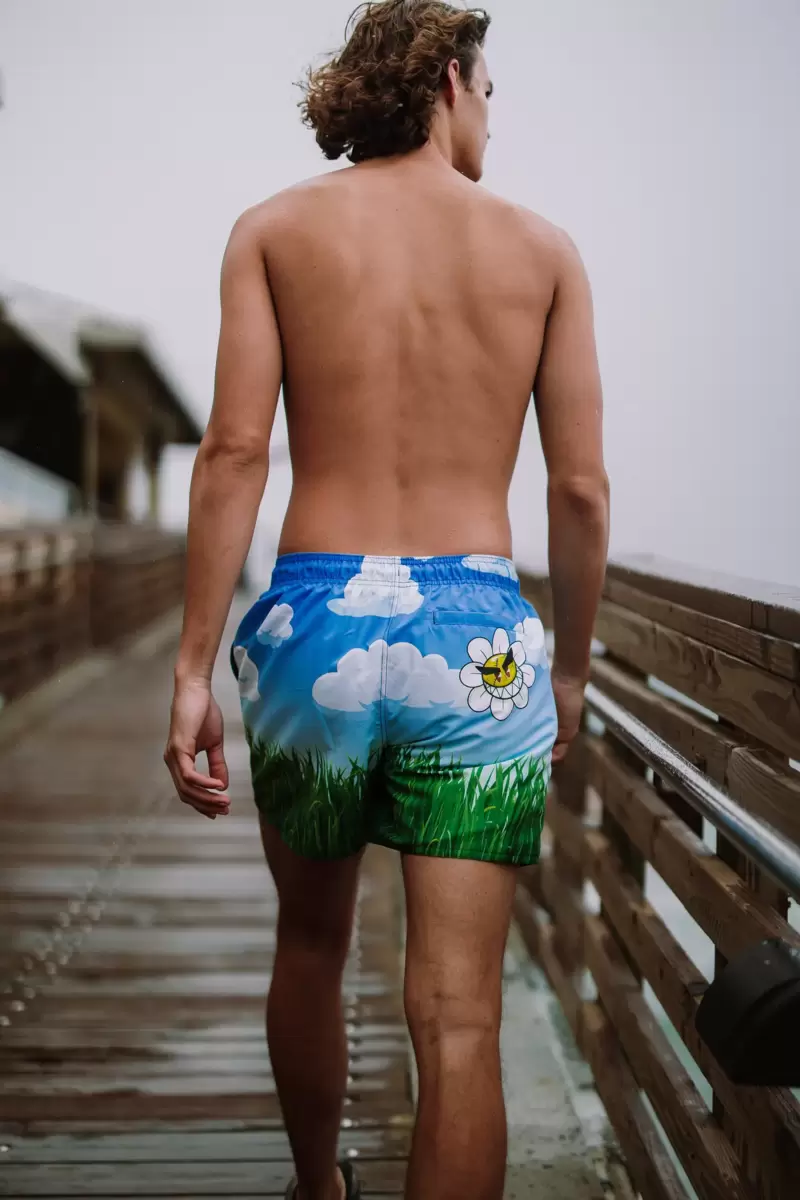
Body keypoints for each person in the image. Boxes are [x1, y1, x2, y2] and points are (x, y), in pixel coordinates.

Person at [164, 2, 609, 1197]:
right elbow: (576, 488)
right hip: (478, 641)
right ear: (449, 83)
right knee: (458, 1015)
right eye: (489, 91)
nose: (492, 117)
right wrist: (569, 668)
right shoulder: (543, 253)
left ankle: (320, 1187)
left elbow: (233, 454)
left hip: (314, 625)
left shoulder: (272, 231)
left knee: (310, 944)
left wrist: (193, 668)